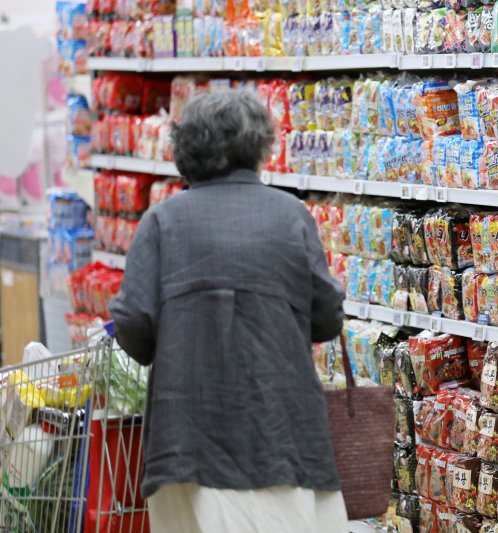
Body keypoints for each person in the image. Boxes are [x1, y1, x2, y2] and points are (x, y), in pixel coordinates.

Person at [109, 90, 348, 533]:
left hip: (187, 437)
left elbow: (134, 324)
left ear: (185, 151)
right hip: (283, 432)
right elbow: (328, 318)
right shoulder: (291, 215)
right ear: (258, 147)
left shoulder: (162, 222)